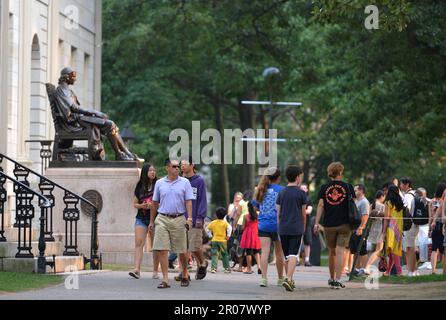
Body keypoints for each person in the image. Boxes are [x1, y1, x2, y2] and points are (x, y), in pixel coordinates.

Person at [53, 67, 139, 161]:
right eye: (73, 76)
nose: (75, 78)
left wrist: (95, 114)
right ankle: (119, 154)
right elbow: (74, 108)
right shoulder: (61, 90)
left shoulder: (68, 91)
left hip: (79, 119)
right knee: (110, 124)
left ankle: (126, 153)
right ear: (66, 77)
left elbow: (75, 108)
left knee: (111, 125)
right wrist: (96, 113)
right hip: (72, 123)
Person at [149, 158, 194, 289]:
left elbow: (188, 201)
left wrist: (189, 218)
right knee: (162, 249)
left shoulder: (185, 182)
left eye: (178, 166)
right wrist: (152, 221)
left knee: (182, 250)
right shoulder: (159, 183)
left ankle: (184, 274)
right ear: (167, 168)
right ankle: (165, 279)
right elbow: (154, 203)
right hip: (162, 218)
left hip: (179, 218)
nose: (177, 168)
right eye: (174, 166)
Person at [314, 162, 354, 289]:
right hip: (344, 224)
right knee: (341, 251)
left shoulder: (324, 188)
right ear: (340, 172)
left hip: (329, 224)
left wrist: (316, 222)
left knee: (332, 252)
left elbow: (320, 205)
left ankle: (331, 278)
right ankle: (338, 279)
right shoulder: (348, 187)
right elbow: (352, 205)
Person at [252, 167, 285, 287]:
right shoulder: (282, 190)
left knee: (264, 252)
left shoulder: (261, 190)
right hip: (278, 224)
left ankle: (264, 279)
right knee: (279, 252)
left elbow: (255, 207)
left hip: (263, 225)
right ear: (278, 177)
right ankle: (281, 278)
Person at [276, 165, 307, 291]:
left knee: (286, 256)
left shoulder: (281, 192)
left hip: (283, 228)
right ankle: (288, 278)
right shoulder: (301, 193)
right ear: (298, 177)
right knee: (294, 254)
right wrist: (303, 227)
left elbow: (278, 213)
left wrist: (280, 227)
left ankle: (290, 279)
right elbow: (303, 214)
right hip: (296, 227)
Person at [178, 157, 209, 280]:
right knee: (181, 247)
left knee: (194, 246)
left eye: (185, 164)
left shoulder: (199, 181)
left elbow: (202, 199)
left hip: (195, 218)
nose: (182, 166)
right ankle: (184, 272)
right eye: (181, 164)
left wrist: (200, 217)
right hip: (180, 218)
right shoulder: (179, 180)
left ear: (192, 165)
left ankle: (203, 262)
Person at [129, 163, 159, 279]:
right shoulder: (140, 186)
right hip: (141, 218)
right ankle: (137, 269)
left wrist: (154, 205)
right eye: (150, 170)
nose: (153, 172)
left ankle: (156, 270)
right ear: (145, 173)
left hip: (156, 219)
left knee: (156, 245)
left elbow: (163, 201)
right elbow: (135, 204)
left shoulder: (158, 185)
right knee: (139, 243)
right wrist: (143, 205)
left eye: (154, 170)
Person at [382, 185, 404, 276]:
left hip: (391, 228)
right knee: (393, 250)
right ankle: (388, 271)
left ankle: (399, 271)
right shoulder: (400, 202)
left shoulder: (388, 202)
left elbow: (386, 218)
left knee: (393, 250)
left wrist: (383, 232)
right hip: (399, 227)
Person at [348, 184, 370, 276]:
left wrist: (361, 227)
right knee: (355, 250)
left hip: (360, 228)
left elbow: (365, 216)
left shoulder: (364, 202)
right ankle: (355, 269)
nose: (354, 192)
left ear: (361, 191)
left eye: (356, 190)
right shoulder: (357, 201)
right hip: (354, 229)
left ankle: (363, 269)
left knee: (362, 250)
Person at [399, 177, 418, 276]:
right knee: (412, 248)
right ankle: (414, 270)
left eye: (401, 184)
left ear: (407, 185)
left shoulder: (407, 196)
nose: (400, 185)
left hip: (409, 225)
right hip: (415, 224)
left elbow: (407, 210)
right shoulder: (415, 193)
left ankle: (411, 271)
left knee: (408, 249)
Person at [364, 190, 385, 275]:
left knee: (375, 250)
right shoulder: (382, 206)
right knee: (378, 250)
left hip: (373, 229)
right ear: (382, 196)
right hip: (380, 229)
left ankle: (367, 267)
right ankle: (367, 267)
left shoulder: (371, 205)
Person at [206, 207, 232, 273]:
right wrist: (228, 236)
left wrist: (210, 236)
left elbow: (207, 229)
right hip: (223, 241)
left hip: (214, 240)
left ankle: (213, 268)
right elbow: (230, 228)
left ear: (216, 214)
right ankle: (226, 268)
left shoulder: (213, 222)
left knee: (214, 254)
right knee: (224, 254)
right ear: (225, 215)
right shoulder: (225, 223)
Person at [429, 183, 446, 274]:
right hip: (443, 225)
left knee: (434, 249)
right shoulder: (443, 201)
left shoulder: (432, 201)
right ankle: (444, 271)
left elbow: (430, 216)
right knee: (444, 249)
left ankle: (433, 270)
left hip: (435, 225)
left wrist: (429, 228)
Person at [240, 202, 261, 274]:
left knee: (248, 252)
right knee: (256, 251)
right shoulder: (258, 215)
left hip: (248, 235)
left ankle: (249, 269)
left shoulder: (245, 216)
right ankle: (259, 267)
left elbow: (243, 227)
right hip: (256, 234)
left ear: (248, 208)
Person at [231, 192, 250, 272]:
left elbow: (238, 214)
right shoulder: (251, 203)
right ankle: (248, 267)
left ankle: (240, 267)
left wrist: (234, 225)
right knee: (248, 246)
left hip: (241, 224)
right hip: (250, 225)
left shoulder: (241, 203)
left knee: (240, 245)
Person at [415, 188, 431, 270]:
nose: (416, 195)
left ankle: (428, 262)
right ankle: (424, 261)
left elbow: (431, 212)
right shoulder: (416, 201)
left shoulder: (428, 201)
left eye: (418, 194)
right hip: (419, 225)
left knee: (425, 243)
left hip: (426, 225)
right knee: (420, 244)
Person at [300, 184, 313, 267]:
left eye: (305, 188)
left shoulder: (309, 199)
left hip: (307, 224)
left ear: (307, 190)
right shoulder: (297, 199)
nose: (303, 189)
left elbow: (309, 211)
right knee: (297, 242)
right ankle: (297, 259)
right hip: (297, 223)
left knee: (307, 242)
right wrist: (305, 210)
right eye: (302, 188)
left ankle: (307, 260)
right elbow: (306, 210)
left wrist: (300, 210)